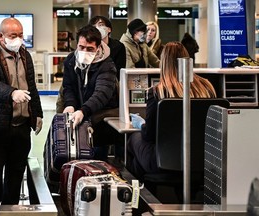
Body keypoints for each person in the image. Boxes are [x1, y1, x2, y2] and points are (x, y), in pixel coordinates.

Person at [0, 18, 43, 205]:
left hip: (21, 124)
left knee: (15, 173)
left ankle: (10, 208)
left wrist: (37, 113)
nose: (18, 39)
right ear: (1, 36)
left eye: (21, 35)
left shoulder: (24, 54)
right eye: (13, 36)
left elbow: (32, 86)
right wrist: (12, 93)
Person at [126, 41, 216, 179]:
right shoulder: (207, 87)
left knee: (134, 139)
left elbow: (149, 135)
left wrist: (141, 124)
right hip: (203, 160)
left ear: (164, 63)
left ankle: (142, 193)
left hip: (163, 161)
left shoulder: (158, 92)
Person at [62, 24, 122, 161]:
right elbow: (69, 87)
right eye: (81, 47)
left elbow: (102, 93)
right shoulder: (71, 61)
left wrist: (83, 110)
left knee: (97, 161)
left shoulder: (107, 65)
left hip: (100, 121)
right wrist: (70, 104)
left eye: (90, 49)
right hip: (79, 119)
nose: (84, 52)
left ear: (98, 47)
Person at [89, 15, 126, 81]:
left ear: (109, 29)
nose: (97, 28)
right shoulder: (88, 46)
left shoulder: (118, 46)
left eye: (101, 25)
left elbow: (119, 70)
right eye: (94, 27)